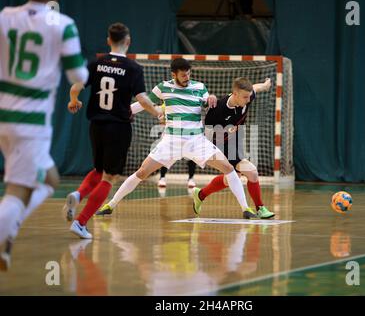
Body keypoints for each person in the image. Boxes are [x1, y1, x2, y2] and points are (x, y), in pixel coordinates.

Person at [96, 58, 258, 220]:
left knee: (228, 168)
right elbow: (142, 104)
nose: (187, 77)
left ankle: (245, 208)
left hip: (196, 141)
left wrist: (211, 98)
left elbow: (208, 102)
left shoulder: (199, 87)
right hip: (171, 141)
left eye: (188, 73)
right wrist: (119, 112)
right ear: (174, 74)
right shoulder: (163, 87)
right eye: (183, 75)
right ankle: (111, 204)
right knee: (142, 171)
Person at [0, 0, 89, 270]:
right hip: (32, 120)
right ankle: (4, 234)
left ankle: (9, 231)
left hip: (5, 113)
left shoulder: (5, 16)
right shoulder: (62, 24)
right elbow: (78, 76)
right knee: (18, 191)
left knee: (50, 178)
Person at [62, 23, 161, 239]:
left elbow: (76, 86)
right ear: (128, 41)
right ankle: (81, 222)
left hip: (96, 125)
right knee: (109, 177)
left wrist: (73, 101)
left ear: (108, 40)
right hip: (118, 127)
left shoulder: (96, 63)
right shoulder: (133, 68)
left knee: (98, 170)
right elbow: (143, 99)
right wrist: (158, 115)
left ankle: (78, 195)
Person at [192, 77, 275, 219]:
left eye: (249, 97)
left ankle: (200, 194)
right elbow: (207, 134)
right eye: (245, 97)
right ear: (234, 94)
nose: (248, 100)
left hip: (235, 142)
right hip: (219, 145)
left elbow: (255, 88)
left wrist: (265, 85)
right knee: (252, 172)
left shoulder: (247, 96)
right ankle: (260, 208)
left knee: (232, 178)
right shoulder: (217, 108)